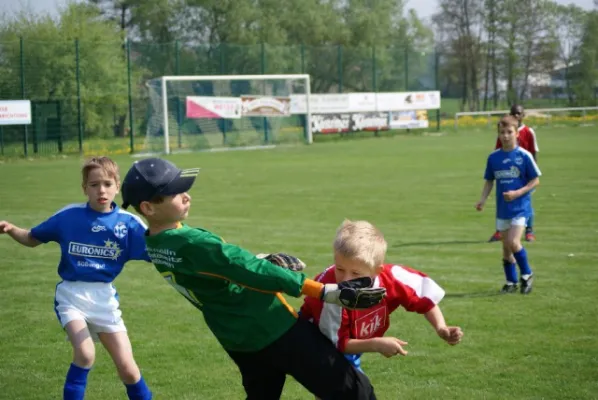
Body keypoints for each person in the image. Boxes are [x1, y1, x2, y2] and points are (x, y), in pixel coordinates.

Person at [120, 157, 387, 400]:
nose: (186, 196)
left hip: (235, 337)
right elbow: (242, 265)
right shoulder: (190, 241)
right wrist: (323, 291)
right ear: (148, 207)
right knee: (355, 392)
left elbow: (218, 272)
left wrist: (261, 259)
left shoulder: (155, 244)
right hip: (273, 328)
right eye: (174, 193)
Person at [0, 157, 152, 400]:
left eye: (106, 183)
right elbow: (31, 238)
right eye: (93, 185)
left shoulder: (129, 224)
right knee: (85, 354)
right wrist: (10, 229)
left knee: (129, 370)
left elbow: (158, 252)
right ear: (84, 188)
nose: (101, 190)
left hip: (104, 299)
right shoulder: (68, 216)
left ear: (117, 186)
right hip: (71, 296)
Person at [300, 219, 463, 396]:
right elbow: (337, 343)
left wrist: (441, 327)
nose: (345, 279)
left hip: (345, 348)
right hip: (315, 346)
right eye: (339, 268)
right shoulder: (329, 293)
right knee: (357, 393)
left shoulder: (392, 278)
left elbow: (425, 298)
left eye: (355, 273)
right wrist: (376, 344)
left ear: (378, 271)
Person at [476, 115, 541, 294]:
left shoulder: (524, 156)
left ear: (516, 133)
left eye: (509, 132)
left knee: (513, 242)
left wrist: (518, 193)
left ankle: (527, 274)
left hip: (520, 208)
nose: (505, 136)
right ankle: (511, 282)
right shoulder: (493, 158)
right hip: (503, 209)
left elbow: (535, 181)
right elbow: (489, 181)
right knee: (506, 249)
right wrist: (482, 199)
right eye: (502, 132)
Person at [488, 104, 540, 243]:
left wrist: (532, 172)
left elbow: (533, 152)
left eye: (519, 113)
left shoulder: (529, 132)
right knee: (503, 198)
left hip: (524, 172)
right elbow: (498, 150)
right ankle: (501, 231)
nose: (516, 116)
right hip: (507, 171)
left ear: (523, 115)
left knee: (525, 202)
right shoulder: (504, 130)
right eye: (513, 113)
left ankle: (529, 231)